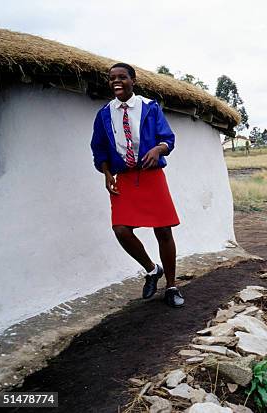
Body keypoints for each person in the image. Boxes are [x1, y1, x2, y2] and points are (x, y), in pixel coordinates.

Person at [90, 63, 184, 308]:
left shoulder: (149, 107)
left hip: (151, 176)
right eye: (112, 78)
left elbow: (168, 139)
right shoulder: (104, 114)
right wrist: (106, 173)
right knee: (121, 229)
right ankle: (153, 270)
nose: (116, 81)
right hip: (125, 178)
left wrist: (157, 148)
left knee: (163, 230)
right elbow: (98, 149)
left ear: (133, 80)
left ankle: (172, 286)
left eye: (122, 77)